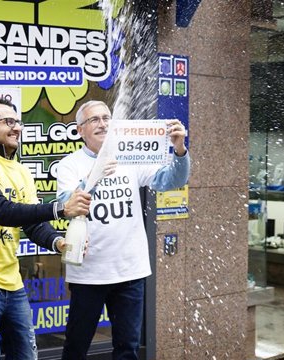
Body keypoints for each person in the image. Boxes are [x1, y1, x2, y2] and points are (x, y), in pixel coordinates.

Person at [0, 98, 92, 360]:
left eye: (18, 122)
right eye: (8, 122)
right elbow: (1, 210)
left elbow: (33, 224)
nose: (17, 128)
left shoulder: (22, 172)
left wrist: (59, 242)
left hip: (11, 281)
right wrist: (60, 208)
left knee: (26, 356)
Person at [56, 100, 190, 360]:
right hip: (89, 273)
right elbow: (66, 205)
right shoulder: (69, 164)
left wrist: (180, 149)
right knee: (76, 347)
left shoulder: (130, 155)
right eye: (94, 120)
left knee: (127, 348)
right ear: (80, 130)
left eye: (107, 117)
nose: (103, 124)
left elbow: (172, 181)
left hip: (130, 271)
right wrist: (95, 175)